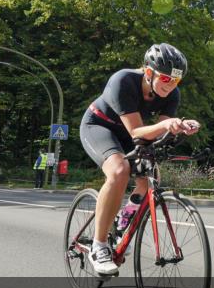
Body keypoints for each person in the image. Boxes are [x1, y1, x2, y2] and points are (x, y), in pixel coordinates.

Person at [79, 43, 201, 275]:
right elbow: (137, 132)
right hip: (99, 125)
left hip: (131, 131)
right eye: (166, 79)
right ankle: (99, 245)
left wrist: (180, 127)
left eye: (177, 81)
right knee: (118, 171)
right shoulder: (123, 81)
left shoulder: (172, 93)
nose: (171, 85)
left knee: (149, 178)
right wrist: (165, 124)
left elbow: (160, 132)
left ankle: (123, 223)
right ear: (148, 72)